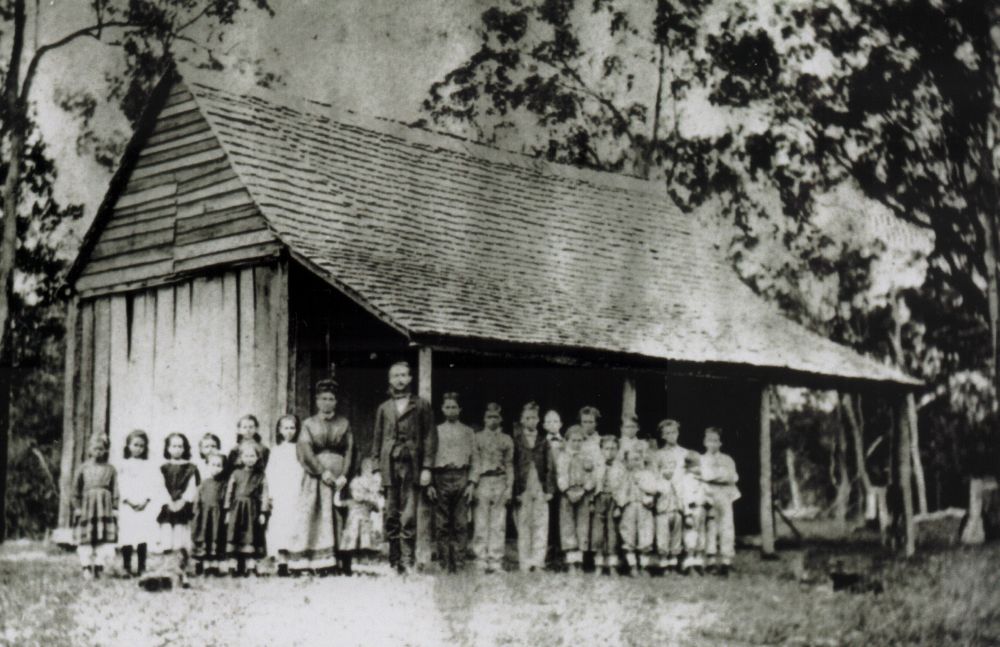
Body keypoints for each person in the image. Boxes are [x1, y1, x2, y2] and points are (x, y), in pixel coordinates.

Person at [370, 361, 436, 575]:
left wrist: (427, 467)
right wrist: (376, 469)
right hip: (389, 465)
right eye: (395, 376)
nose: (400, 379)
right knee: (391, 514)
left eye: (403, 375)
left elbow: (430, 437)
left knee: (408, 515)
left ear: (410, 378)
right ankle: (394, 561)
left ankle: (407, 561)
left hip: (412, 466)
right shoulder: (384, 408)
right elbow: (377, 439)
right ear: (390, 380)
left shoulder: (421, 405)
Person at [290, 379, 352, 574]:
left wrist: (345, 475)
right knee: (315, 513)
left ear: (336, 402)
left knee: (338, 514)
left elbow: (350, 450)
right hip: (316, 477)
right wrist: (321, 471)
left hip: (339, 476)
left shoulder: (344, 423)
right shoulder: (308, 424)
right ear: (317, 401)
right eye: (323, 398)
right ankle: (313, 562)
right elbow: (305, 450)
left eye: (331, 399)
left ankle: (339, 562)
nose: (327, 402)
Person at [426, 392, 475, 573]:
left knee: (461, 523)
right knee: (442, 523)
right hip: (441, 477)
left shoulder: (468, 432)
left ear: (460, 409)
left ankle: (460, 564)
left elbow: (475, 459)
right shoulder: (436, 430)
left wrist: (472, 483)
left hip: (462, 476)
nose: (451, 410)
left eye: (454, 407)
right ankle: (444, 564)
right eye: (447, 407)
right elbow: (429, 457)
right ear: (442, 409)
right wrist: (430, 483)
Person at [471, 402, 514, 574]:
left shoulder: (506, 439)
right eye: (489, 417)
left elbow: (509, 464)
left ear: (501, 419)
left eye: (496, 417)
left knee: (498, 523)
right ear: (484, 419)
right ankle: (480, 560)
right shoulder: (477, 438)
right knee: (481, 522)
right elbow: (474, 462)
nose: (492, 420)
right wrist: (473, 484)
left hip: (500, 480)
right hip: (483, 481)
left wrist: (509, 487)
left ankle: (495, 561)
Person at [513, 401, 554, 573]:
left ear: (538, 420)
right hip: (523, 487)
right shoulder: (516, 440)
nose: (531, 421)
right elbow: (513, 466)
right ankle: (525, 562)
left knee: (540, 524)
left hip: (539, 487)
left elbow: (550, 466)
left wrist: (549, 490)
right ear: (522, 420)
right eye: (527, 418)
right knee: (524, 525)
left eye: (534, 418)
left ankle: (538, 562)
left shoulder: (543, 441)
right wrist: (516, 491)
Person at [73, 434, 118, 579]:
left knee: (102, 538)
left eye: (101, 449)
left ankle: (99, 567)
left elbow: (115, 489)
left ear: (106, 450)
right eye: (95, 448)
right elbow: (75, 490)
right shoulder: (83, 468)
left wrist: (115, 507)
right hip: (87, 508)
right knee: (86, 538)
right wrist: (77, 507)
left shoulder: (110, 469)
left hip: (104, 508)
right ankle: (86, 567)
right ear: (89, 450)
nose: (98, 452)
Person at [117, 429, 159, 577]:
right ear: (128, 446)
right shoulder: (123, 465)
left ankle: (142, 567)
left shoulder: (149, 465)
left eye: (142, 446)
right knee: (127, 536)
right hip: (128, 505)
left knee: (142, 536)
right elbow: (120, 484)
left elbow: (153, 484)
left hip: (143, 506)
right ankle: (126, 567)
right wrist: (128, 501)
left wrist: (146, 500)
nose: (138, 448)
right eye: (135, 445)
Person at [225, 442, 270, 576]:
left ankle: (251, 566)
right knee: (235, 534)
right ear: (241, 457)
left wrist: (263, 512)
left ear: (257, 457)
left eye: (252, 456)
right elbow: (229, 492)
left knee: (252, 535)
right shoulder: (235, 473)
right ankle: (233, 567)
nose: (249, 459)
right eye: (246, 455)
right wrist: (227, 511)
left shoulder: (260, 475)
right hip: (236, 509)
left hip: (252, 509)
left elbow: (264, 494)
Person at [267, 414, 304, 576]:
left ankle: (296, 563)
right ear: (279, 430)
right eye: (286, 428)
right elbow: (270, 473)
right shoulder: (276, 450)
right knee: (281, 525)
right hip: (281, 492)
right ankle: (282, 563)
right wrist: (272, 494)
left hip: (296, 491)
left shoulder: (301, 449)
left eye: (292, 428)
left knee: (295, 524)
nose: (289, 431)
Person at [556, 425, 597, 572]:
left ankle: (579, 562)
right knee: (568, 527)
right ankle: (570, 563)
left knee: (582, 527)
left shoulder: (587, 457)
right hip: (567, 495)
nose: (576, 443)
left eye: (580, 440)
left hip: (583, 495)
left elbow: (592, 476)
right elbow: (560, 475)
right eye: (573, 440)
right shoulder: (563, 456)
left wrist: (584, 489)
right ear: (567, 441)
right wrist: (567, 490)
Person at [700, 427, 740, 575]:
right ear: (705, 442)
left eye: (716, 440)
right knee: (710, 526)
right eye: (710, 440)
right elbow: (705, 475)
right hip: (709, 495)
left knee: (727, 526)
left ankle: (726, 561)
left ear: (720, 443)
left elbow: (733, 477)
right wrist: (719, 475)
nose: (713, 443)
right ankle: (710, 561)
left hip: (725, 495)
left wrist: (717, 476)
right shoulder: (701, 459)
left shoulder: (727, 459)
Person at [652, 419, 688, 569]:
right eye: (667, 433)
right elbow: (654, 476)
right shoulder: (657, 455)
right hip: (664, 497)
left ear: (678, 433)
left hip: (679, 497)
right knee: (663, 529)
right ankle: (663, 562)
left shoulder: (684, 453)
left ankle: (674, 561)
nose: (671, 435)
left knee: (677, 529)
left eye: (674, 432)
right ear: (662, 435)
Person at [616, 448, 658, 576]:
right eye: (632, 460)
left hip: (644, 507)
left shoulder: (648, 474)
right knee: (628, 535)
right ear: (626, 462)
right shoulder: (624, 476)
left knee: (646, 535)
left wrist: (642, 485)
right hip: (629, 507)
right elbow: (620, 493)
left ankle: (644, 566)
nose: (635, 463)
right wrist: (620, 505)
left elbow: (653, 489)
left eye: (638, 459)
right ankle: (632, 565)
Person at [156, 433, 199, 560]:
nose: (177, 449)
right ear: (168, 448)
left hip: (183, 504)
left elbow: (192, 487)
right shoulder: (163, 467)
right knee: (166, 529)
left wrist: (183, 501)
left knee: (181, 531)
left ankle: (180, 559)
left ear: (185, 448)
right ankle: (168, 560)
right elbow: (160, 486)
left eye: (180, 446)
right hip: (167, 504)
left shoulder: (190, 468)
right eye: (174, 446)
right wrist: (168, 501)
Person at [592, 435, 625, 575]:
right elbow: (592, 484)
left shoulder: (621, 467)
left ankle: (612, 564)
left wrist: (619, 506)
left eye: (613, 449)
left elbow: (623, 488)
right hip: (599, 499)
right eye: (606, 448)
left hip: (613, 500)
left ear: (617, 450)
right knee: (598, 532)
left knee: (612, 532)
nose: (609, 452)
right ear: (601, 449)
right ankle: (599, 564)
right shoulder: (596, 465)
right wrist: (591, 501)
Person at [338, 457, 384, 560]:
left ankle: (366, 554)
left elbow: (377, 508)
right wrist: (338, 491)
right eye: (355, 491)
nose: (357, 494)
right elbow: (338, 503)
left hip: (365, 524)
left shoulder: (368, 502)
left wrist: (373, 501)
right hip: (353, 525)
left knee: (365, 537)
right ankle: (353, 554)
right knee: (353, 537)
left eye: (361, 491)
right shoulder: (351, 502)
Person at [191, 451, 228, 575]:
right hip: (204, 516)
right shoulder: (203, 483)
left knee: (216, 537)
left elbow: (226, 500)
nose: (216, 468)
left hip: (217, 516)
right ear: (207, 465)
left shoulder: (224, 484)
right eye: (213, 465)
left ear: (223, 467)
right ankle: (205, 565)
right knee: (204, 536)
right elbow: (197, 500)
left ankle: (215, 565)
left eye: (219, 465)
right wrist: (196, 514)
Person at [677, 452, 711, 575]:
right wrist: (687, 514)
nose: (698, 468)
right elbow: (685, 498)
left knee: (701, 537)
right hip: (692, 510)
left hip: (702, 509)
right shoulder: (686, 480)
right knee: (691, 536)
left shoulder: (701, 480)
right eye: (696, 466)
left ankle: (699, 562)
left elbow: (707, 493)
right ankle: (689, 564)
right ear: (689, 467)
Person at [541, 409, 564, 570]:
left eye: (555, 421)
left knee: (562, 520)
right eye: (548, 421)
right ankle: (548, 555)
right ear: (543, 425)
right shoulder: (542, 443)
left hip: (563, 487)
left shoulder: (566, 442)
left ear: (561, 424)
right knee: (549, 521)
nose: (552, 424)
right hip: (548, 488)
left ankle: (561, 555)